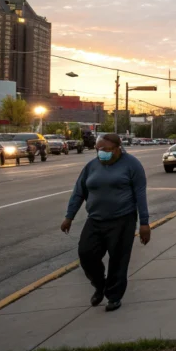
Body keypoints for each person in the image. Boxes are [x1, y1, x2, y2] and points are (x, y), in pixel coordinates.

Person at [61, 133, 150, 313]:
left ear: (118, 148)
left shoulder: (132, 165)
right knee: (86, 254)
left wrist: (144, 223)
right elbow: (79, 191)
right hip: (95, 220)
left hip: (122, 220)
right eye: (99, 150)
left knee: (118, 260)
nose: (102, 153)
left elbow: (140, 194)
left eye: (106, 150)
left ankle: (114, 297)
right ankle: (99, 285)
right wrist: (69, 216)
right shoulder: (91, 166)